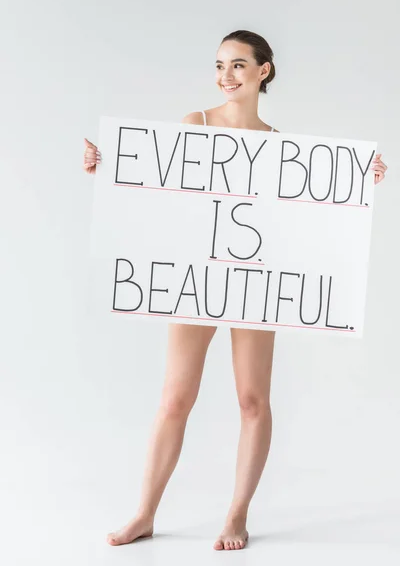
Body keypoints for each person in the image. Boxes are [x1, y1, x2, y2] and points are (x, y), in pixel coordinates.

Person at [83, 30, 389, 551]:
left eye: (239, 66)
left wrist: (360, 181)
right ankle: (144, 513)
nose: (226, 76)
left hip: (253, 282)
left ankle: (236, 514)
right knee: (176, 398)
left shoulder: (279, 145)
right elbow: (164, 191)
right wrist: (109, 168)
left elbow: (299, 223)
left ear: (263, 71)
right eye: (220, 66)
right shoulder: (195, 124)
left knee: (252, 399)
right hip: (199, 278)